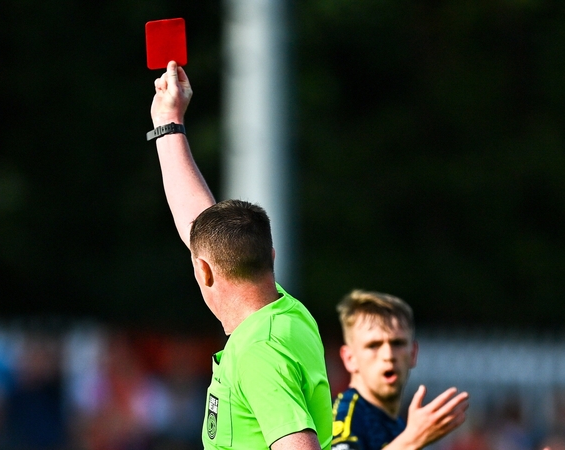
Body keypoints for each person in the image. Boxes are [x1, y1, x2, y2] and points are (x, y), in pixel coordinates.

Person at [148, 61, 333, 450]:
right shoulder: (285, 312)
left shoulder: (259, 350)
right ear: (270, 256)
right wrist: (168, 123)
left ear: (205, 272)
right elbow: (200, 228)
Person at [331, 289, 469, 450]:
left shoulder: (399, 427)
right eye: (373, 345)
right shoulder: (344, 416)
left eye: (397, 343)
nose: (388, 355)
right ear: (349, 358)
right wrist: (412, 441)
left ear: (413, 353)